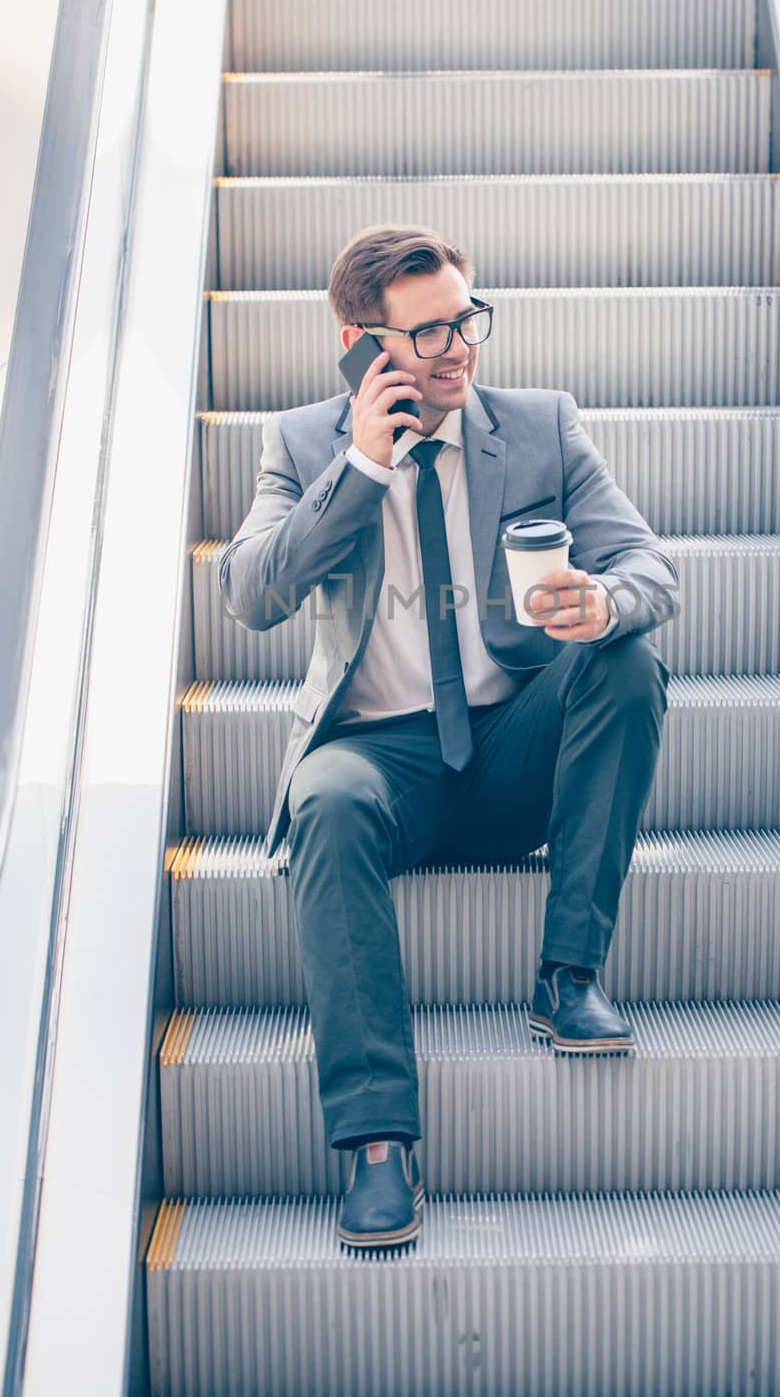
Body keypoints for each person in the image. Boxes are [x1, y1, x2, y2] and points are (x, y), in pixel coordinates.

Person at [219, 224, 680, 1251]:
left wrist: (599, 601)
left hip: (512, 742)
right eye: (428, 333)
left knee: (627, 656)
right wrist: (360, 467)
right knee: (325, 799)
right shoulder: (300, 445)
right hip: (379, 758)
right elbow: (247, 594)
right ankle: (377, 1141)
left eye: (466, 319)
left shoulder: (539, 426)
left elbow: (652, 566)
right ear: (361, 344)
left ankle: (568, 976)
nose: (460, 347)